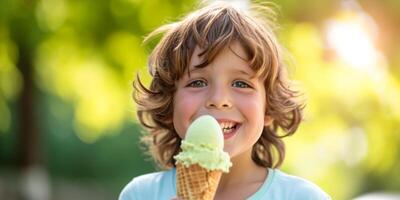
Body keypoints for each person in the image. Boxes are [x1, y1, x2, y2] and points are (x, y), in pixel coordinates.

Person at [119, 1, 331, 199]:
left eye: (241, 84)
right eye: (197, 83)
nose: (219, 100)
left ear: (269, 108)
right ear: (169, 103)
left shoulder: (302, 197)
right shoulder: (141, 194)